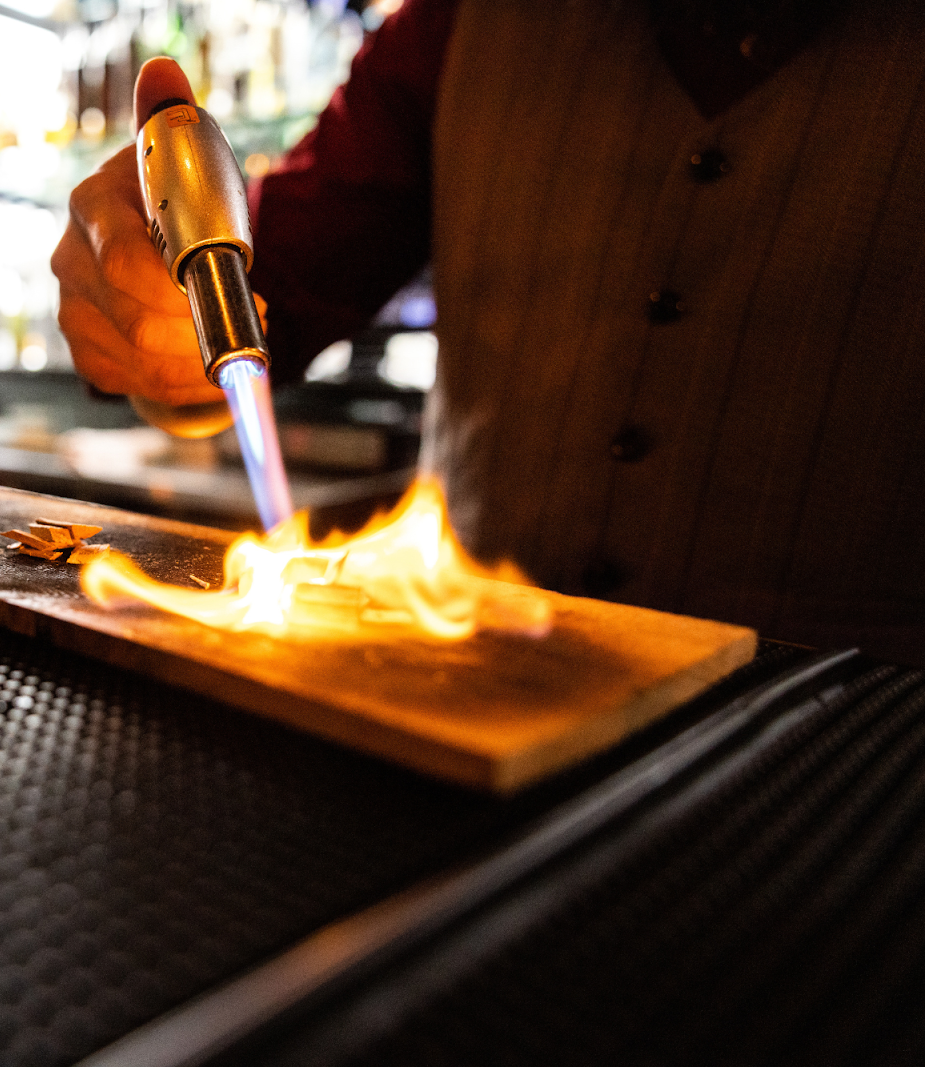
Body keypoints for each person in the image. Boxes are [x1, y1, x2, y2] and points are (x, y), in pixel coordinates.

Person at [51, 0, 925, 665]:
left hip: (850, 734)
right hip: (466, 697)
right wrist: (144, 317)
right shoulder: (459, 23)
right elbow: (272, 289)